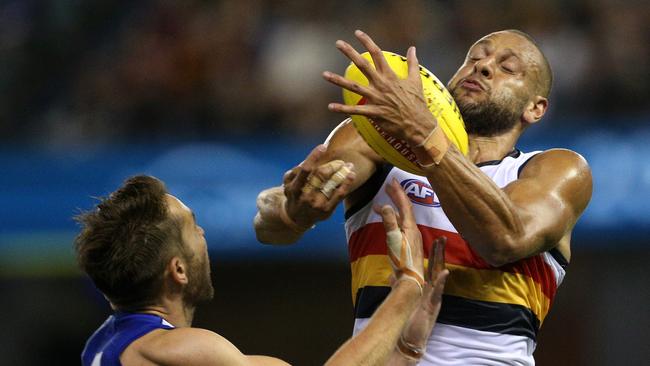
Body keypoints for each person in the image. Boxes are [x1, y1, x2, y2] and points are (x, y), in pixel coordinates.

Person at [254, 29, 593, 364]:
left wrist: (426, 137)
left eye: (507, 67)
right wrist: (294, 212)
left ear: (536, 108)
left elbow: (505, 238)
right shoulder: (379, 141)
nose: (483, 66)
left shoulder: (557, 170)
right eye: (475, 58)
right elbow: (269, 226)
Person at [76, 175, 449, 366]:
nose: (203, 233)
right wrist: (407, 288)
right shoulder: (175, 349)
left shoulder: (106, 342)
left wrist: (407, 349)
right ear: (178, 270)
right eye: (193, 227)